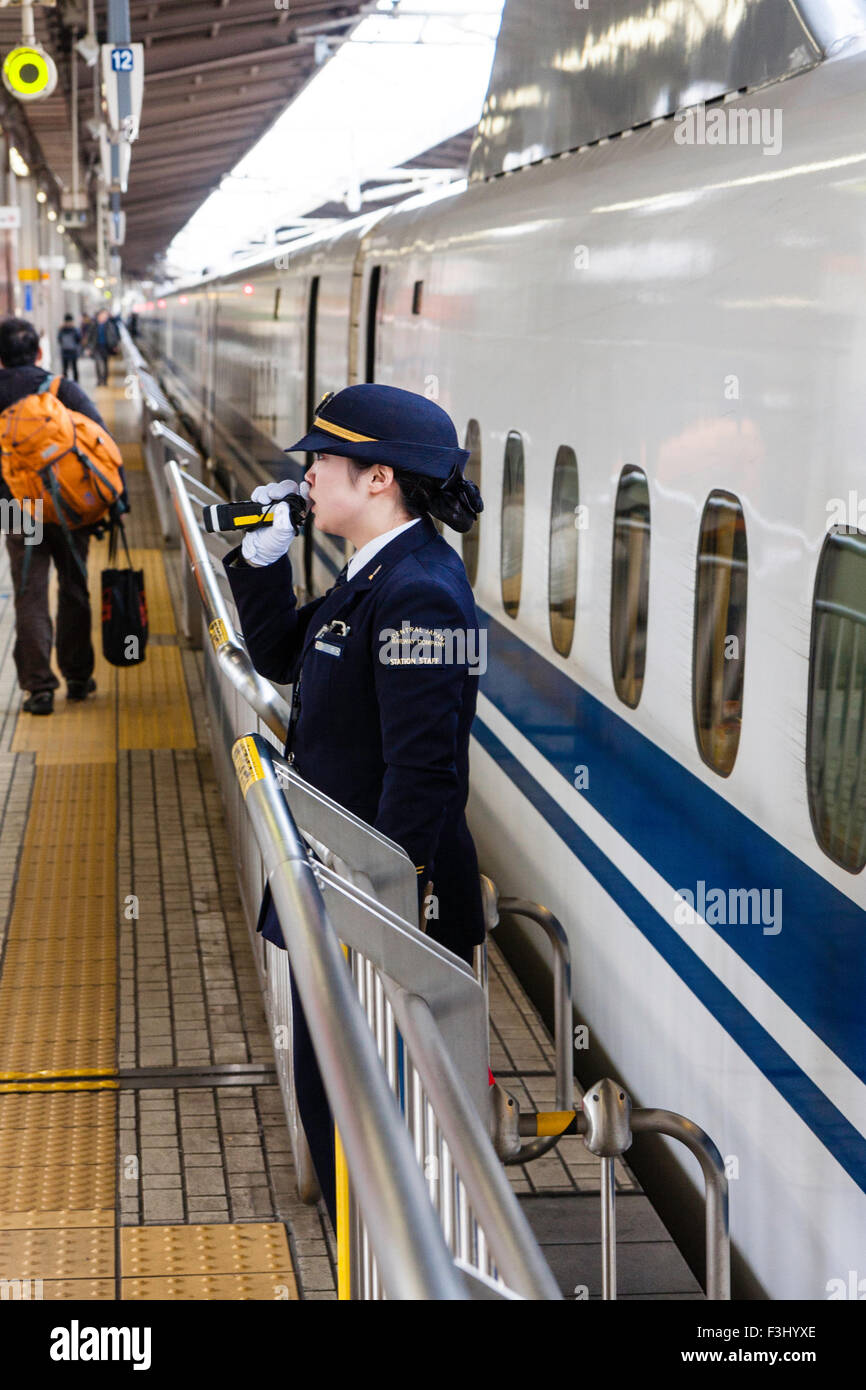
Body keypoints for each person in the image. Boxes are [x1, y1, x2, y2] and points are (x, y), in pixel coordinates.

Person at [223, 383, 485, 1222]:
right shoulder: (375, 574)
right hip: (342, 899)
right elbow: (277, 655)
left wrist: (379, 915)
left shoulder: (421, 590)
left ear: (379, 479)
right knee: (331, 1103)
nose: (304, 476)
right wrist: (263, 561)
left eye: (321, 460)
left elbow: (426, 775)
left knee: (365, 1129)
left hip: (375, 914)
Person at [0, 317, 123, 715]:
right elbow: (101, 439)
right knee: (73, 586)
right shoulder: (59, 388)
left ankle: (38, 688)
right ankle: (77, 677)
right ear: (38, 350)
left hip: (18, 509)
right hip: (70, 506)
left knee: (29, 592)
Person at [88, 309, 118, 386]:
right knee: (98, 363)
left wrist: (114, 345)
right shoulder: (94, 325)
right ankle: (99, 380)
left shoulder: (110, 325)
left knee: (105, 364)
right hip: (97, 347)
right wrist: (89, 348)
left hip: (106, 347)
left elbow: (114, 336)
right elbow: (90, 337)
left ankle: (105, 380)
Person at [57, 313, 82, 382]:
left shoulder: (63, 330)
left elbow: (59, 340)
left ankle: (71, 382)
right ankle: (74, 383)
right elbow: (78, 339)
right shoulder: (74, 329)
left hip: (68, 352)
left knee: (70, 369)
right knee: (69, 369)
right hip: (69, 352)